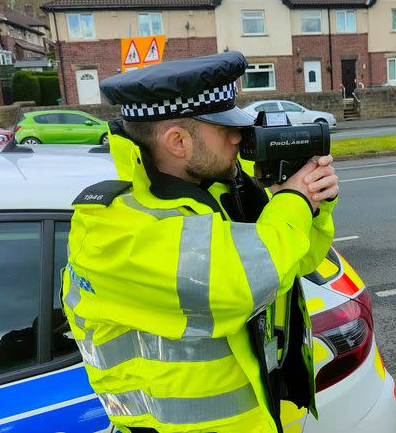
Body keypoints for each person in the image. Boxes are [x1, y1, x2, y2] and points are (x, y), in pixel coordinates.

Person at [61, 51, 339, 433]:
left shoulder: (216, 189)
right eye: (224, 128)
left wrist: (315, 205)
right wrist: (294, 202)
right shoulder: (110, 229)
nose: (238, 137)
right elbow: (239, 284)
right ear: (178, 141)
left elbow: (296, 264)